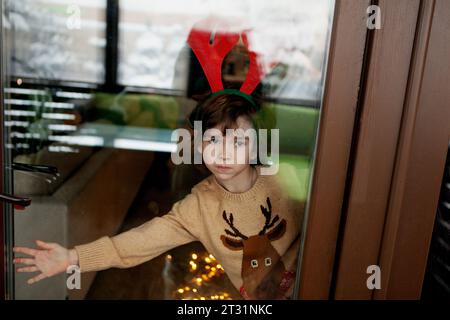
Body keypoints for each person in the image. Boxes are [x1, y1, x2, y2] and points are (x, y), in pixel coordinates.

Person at [13, 26, 305, 300]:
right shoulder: (199, 206)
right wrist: (73, 257)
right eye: (212, 141)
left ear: (257, 144)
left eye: (238, 142)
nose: (223, 154)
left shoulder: (287, 180)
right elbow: (139, 242)